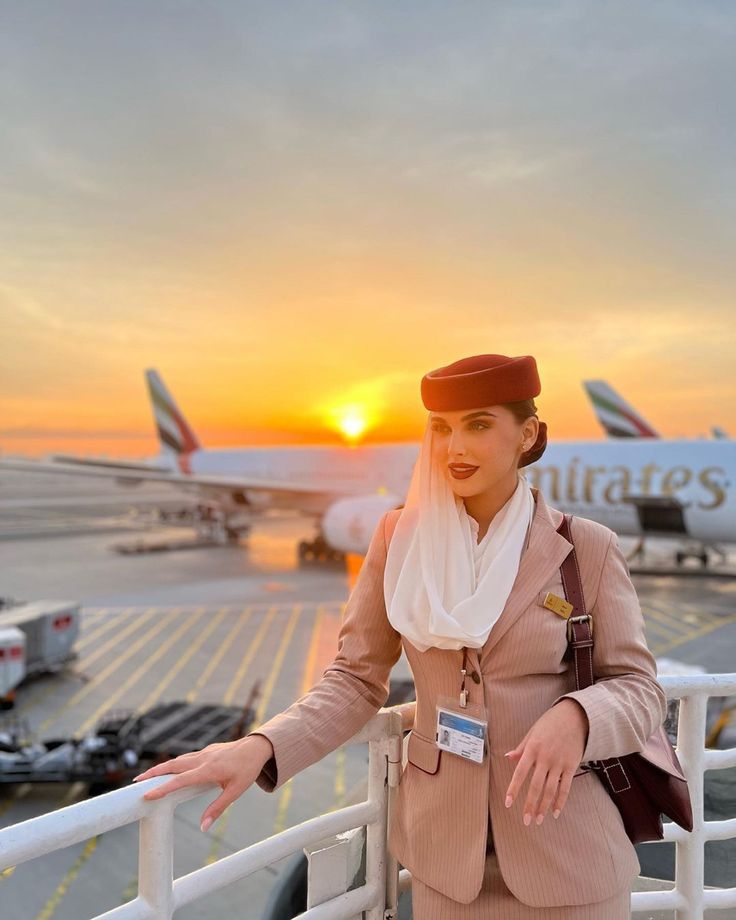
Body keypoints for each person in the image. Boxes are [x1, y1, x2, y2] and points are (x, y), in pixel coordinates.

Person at [132, 353, 667, 918]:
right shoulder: (399, 539)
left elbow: (638, 687)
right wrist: (262, 746)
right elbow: (355, 680)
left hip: (568, 850)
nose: (454, 447)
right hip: (445, 861)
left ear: (527, 433)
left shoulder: (586, 548)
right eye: (441, 428)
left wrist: (578, 718)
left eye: (479, 425)